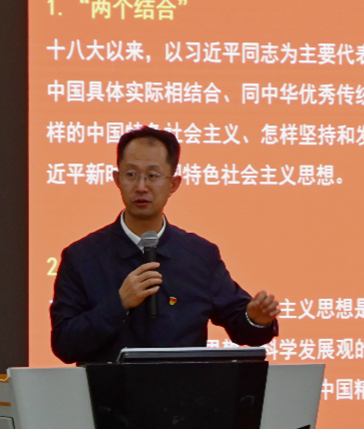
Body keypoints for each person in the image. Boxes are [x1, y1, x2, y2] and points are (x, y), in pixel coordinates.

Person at [51, 126, 279, 364]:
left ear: (174, 184)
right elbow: (64, 345)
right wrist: (118, 304)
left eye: (153, 175)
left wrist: (256, 319)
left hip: (184, 387)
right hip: (109, 388)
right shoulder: (82, 257)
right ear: (117, 179)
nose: (141, 186)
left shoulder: (200, 255)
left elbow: (244, 329)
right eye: (131, 174)